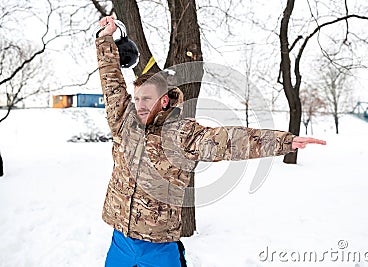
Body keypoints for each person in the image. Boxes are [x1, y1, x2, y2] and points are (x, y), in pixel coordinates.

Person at [95, 16, 326, 267]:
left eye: (147, 99)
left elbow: (230, 141)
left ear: (164, 101)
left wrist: (285, 142)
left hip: (159, 245)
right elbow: (111, 83)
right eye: (137, 98)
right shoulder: (124, 123)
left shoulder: (182, 134)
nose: (139, 105)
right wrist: (106, 37)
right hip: (120, 240)